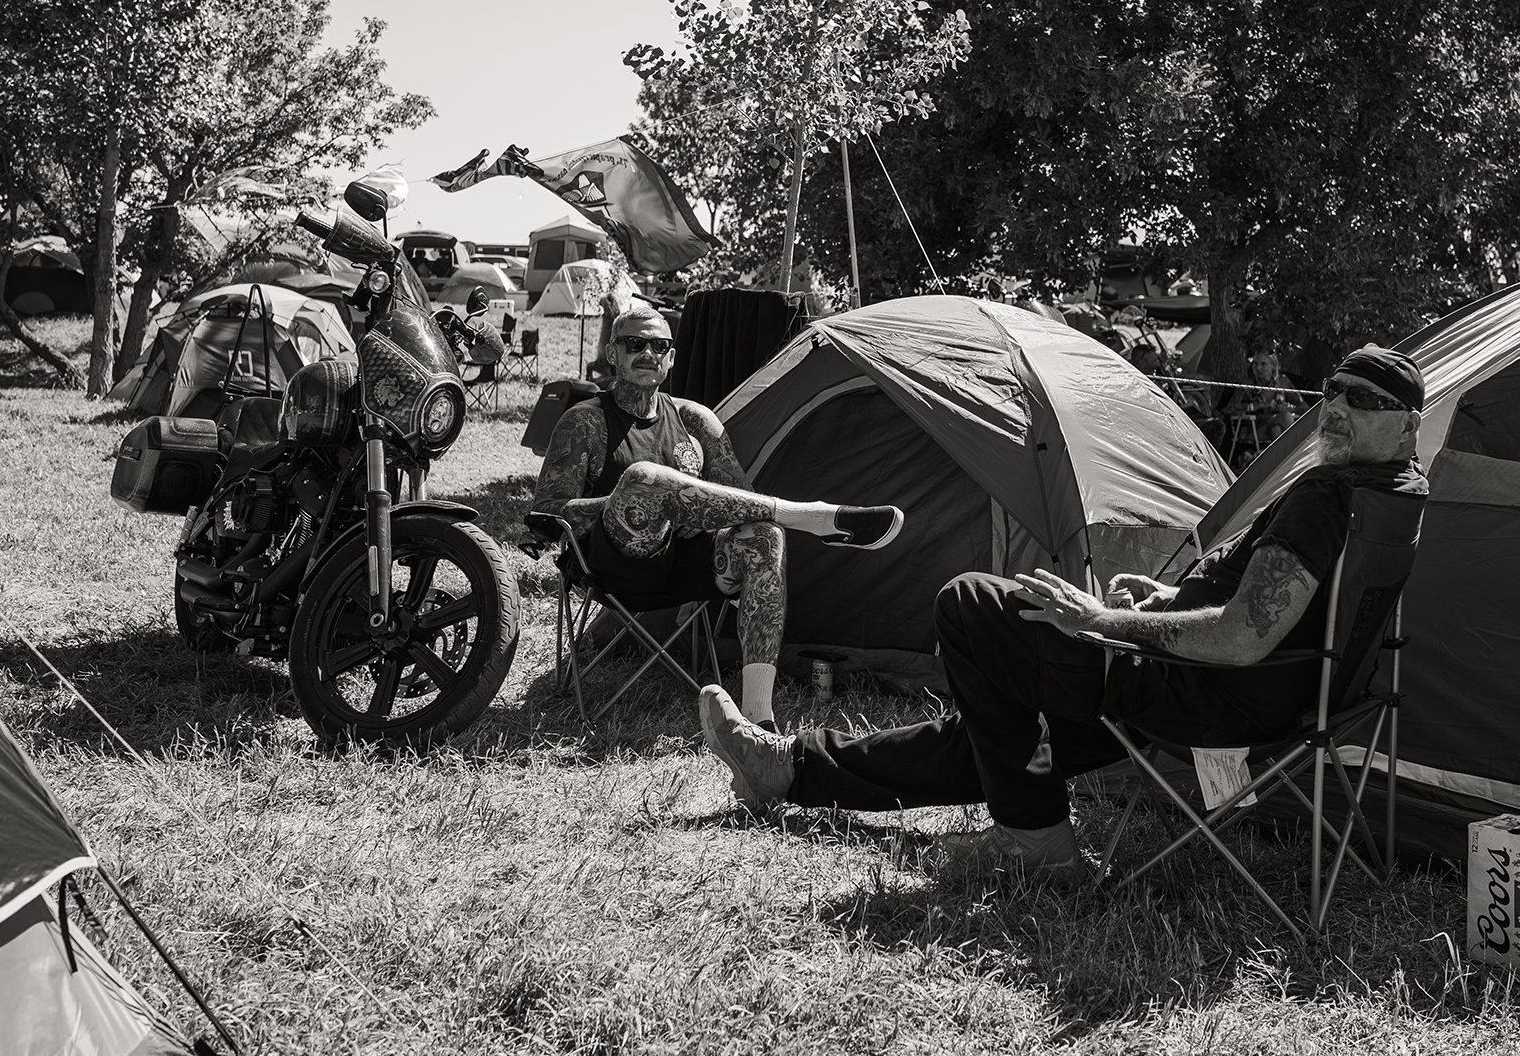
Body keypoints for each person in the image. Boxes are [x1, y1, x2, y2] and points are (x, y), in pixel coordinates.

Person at [697, 343, 1430, 881]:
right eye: (1334, 389)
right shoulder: (1397, 492)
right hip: (1281, 698)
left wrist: (1101, 621)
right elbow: (1275, 618)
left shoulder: (1326, 496)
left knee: (974, 603)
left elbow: (1241, 637)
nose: (1336, 407)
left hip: (1208, 697)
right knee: (1005, 733)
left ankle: (1034, 837)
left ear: (1405, 425)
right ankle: (787, 770)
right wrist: (1170, 600)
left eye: (1363, 401)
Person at [530, 305, 906, 730]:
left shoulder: (694, 421)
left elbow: (741, 501)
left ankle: (757, 722)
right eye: (634, 344)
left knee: (765, 537)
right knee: (645, 479)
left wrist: (692, 509)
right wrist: (640, 500)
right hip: (613, 566)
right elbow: (549, 516)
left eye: (660, 346)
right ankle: (812, 517)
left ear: (671, 358)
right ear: (612, 353)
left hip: (687, 567)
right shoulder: (584, 421)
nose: (648, 353)